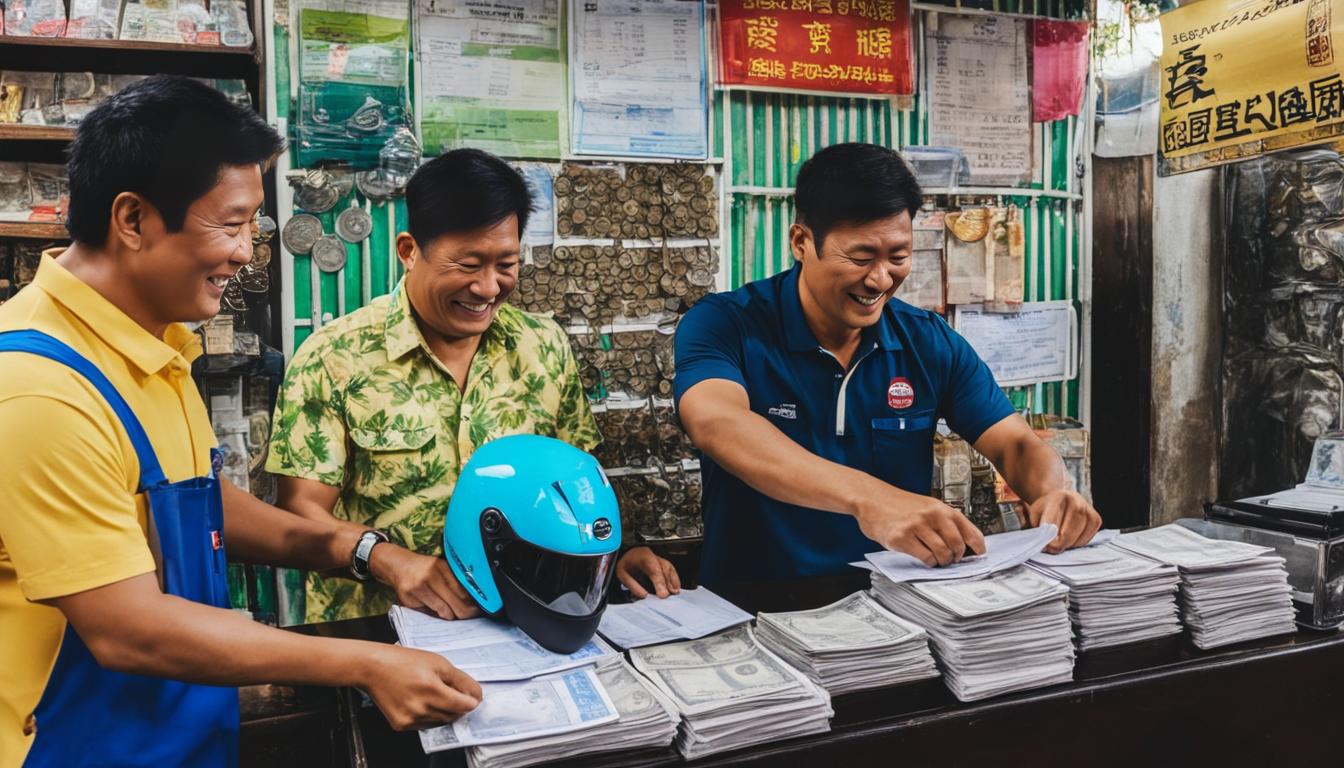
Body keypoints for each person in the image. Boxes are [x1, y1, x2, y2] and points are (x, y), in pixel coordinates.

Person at [0, 76, 482, 768]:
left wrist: (367, 551)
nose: (246, 253)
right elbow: (128, 631)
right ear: (133, 221)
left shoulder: (152, 344)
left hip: (181, 736)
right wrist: (367, 664)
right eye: (229, 225)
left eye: (252, 226)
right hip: (74, 746)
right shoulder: (39, 392)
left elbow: (194, 503)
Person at [268, 148, 678, 624]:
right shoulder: (333, 357)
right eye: (467, 265)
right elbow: (299, 516)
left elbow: (576, 486)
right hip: (378, 632)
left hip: (522, 626)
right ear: (409, 251)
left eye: (505, 264)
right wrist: (387, 561)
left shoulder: (541, 347)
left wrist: (611, 554)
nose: (487, 288)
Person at [674, 142, 1102, 586]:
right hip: (756, 614)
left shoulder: (928, 342)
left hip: (897, 616)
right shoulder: (726, 324)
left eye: (898, 257)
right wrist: (870, 499)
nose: (880, 279)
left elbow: (1015, 444)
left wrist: (1054, 492)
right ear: (802, 242)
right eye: (860, 258)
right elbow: (717, 422)